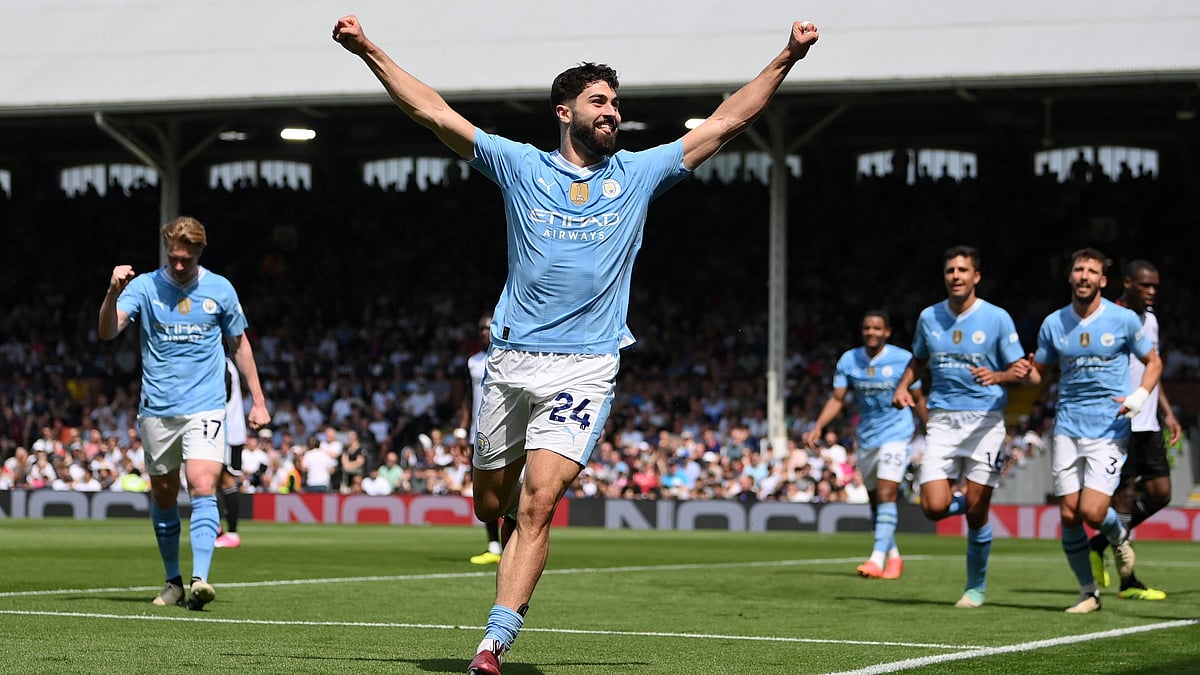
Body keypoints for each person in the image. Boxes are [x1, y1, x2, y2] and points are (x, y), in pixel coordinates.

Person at [333, 14, 820, 675]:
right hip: (511, 359)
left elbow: (726, 121)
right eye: (600, 101)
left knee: (539, 500)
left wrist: (786, 56)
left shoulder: (640, 173)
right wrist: (368, 50)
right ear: (565, 111)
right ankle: (493, 532)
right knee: (490, 500)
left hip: (586, 365)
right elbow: (434, 114)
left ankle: (492, 643)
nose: (613, 112)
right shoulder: (519, 165)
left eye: (616, 103)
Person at [98, 216, 270, 611]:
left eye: (186, 259)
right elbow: (108, 331)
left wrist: (258, 400)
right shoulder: (143, 287)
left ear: (199, 252)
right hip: (157, 408)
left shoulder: (220, 289)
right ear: (166, 250)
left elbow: (240, 345)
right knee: (163, 494)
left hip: (206, 405)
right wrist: (111, 292)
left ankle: (200, 579)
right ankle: (173, 581)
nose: (179, 265)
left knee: (202, 484)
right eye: (173, 258)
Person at [892, 245, 1035, 609]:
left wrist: (1001, 375)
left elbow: (1020, 373)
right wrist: (901, 385)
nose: (955, 276)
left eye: (962, 270)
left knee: (976, 512)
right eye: (950, 271)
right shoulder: (929, 317)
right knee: (933, 507)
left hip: (985, 422)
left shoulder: (997, 318)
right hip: (941, 421)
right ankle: (970, 504)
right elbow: (919, 360)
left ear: (976, 277)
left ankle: (975, 587)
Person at [1031, 248, 1163, 613]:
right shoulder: (1053, 323)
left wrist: (1139, 396)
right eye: (1079, 269)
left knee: (1092, 511)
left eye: (1092, 271)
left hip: (1108, 428)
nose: (1084, 276)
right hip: (1067, 427)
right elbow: (1038, 372)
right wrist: (1023, 372)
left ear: (1102, 280)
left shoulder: (1122, 321)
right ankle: (1089, 593)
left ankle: (1119, 537)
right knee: (1069, 514)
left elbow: (1154, 362)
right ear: (1070, 276)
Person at [804, 310, 927, 580]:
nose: (871, 332)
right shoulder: (850, 360)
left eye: (876, 328)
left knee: (886, 495)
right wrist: (818, 426)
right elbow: (838, 399)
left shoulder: (903, 359)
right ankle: (894, 558)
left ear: (887, 332)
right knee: (875, 503)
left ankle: (876, 559)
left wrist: (930, 429)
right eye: (867, 328)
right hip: (867, 437)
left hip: (897, 434)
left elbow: (918, 398)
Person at [1088, 260, 1181, 601]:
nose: (1152, 292)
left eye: (1155, 286)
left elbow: (1151, 369)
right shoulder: (1109, 318)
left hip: (1149, 423)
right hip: (1120, 421)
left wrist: (1168, 413)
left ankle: (1100, 542)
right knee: (1124, 494)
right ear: (1127, 284)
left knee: (1161, 493)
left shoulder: (1151, 321)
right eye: (1146, 286)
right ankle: (1128, 581)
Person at [467, 314, 503, 566]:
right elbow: (467, 397)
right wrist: (463, 429)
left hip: (505, 429)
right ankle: (493, 545)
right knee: (484, 489)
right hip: (477, 432)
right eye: (481, 328)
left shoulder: (506, 357)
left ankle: (513, 541)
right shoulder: (473, 362)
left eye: (489, 328)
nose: (485, 332)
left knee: (511, 487)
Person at [215, 356, 246, 549]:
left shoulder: (222, 364)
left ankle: (231, 533)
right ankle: (217, 530)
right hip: (225, 430)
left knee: (225, 480)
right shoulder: (224, 363)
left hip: (226, 432)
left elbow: (221, 395)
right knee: (213, 481)